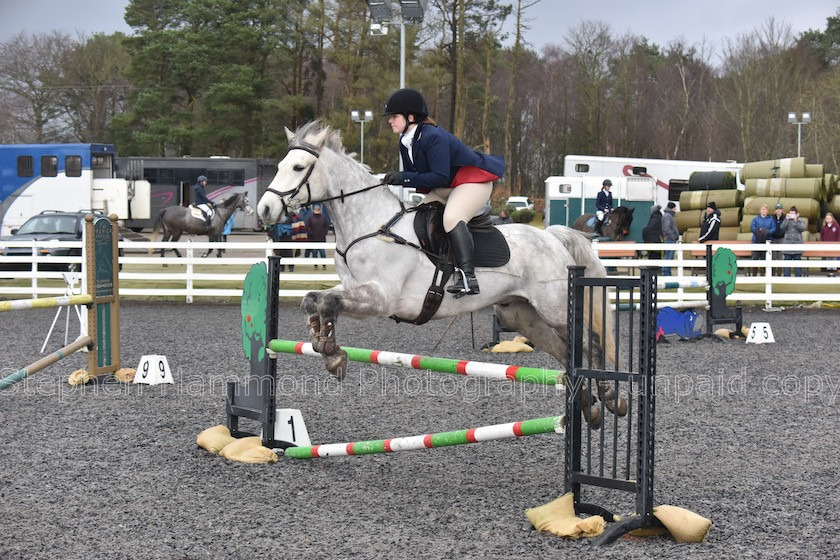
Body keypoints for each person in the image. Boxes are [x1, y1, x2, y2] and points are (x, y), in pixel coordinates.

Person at [381, 88, 505, 296]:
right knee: (414, 218)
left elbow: (437, 176)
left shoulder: (432, 136)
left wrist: (404, 178)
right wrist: (397, 178)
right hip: (448, 186)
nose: (390, 121)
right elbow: (424, 177)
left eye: (394, 116)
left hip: (473, 182)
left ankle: (469, 277)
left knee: (452, 218)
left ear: (411, 117)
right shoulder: (406, 141)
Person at [780, 205, 806, 277]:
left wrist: (796, 221)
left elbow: (802, 228)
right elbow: (782, 227)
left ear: (796, 214)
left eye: (793, 214)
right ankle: (786, 277)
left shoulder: (800, 221)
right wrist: (786, 219)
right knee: (787, 263)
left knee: (797, 263)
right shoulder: (786, 220)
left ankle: (798, 277)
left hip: (797, 245)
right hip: (787, 245)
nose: (791, 215)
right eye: (790, 213)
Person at [750, 204, 776, 271]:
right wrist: (759, 232)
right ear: (760, 211)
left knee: (764, 258)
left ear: (767, 211)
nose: (764, 211)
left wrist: (766, 232)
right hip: (756, 241)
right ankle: (754, 274)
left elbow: (773, 228)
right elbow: (753, 228)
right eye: (762, 209)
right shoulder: (755, 219)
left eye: (765, 209)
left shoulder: (771, 220)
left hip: (766, 241)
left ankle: (763, 274)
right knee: (755, 258)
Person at [304, 204, 330, 269]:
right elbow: (307, 226)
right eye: (316, 209)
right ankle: (316, 265)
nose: (317, 211)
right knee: (314, 252)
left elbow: (327, 226)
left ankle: (324, 265)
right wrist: (310, 233)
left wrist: (325, 233)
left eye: (318, 209)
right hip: (313, 239)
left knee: (322, 252)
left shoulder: (323, 217)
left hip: (321, 238)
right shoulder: (310, 218)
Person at [661, 201, 679, 276]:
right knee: (668, 256)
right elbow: (666, 228)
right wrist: (673, 237)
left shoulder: (667, 216)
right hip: (670, 239)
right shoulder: (668, 216)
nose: (676, 209)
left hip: (670, 239)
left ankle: (667, 273)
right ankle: (666, 273)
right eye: (675, 208)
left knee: (669, 256)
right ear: (672, 208)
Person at [820, 212, 839, 277]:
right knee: (828, 258)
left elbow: (838, 236)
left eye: (829, 218)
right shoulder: (823, 227)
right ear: (825, 219)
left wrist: (837, 244)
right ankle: (828, 271)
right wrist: (822, 243)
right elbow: (821, 236)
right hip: (826, 245)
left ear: (832, 219)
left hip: (834, 245)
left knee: (834, 258)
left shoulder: (836, 226)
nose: (828, 219)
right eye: (827, 218)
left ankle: (834, 271)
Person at [770, 202, 786, 275]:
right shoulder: (772, 218)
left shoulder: (785, 218)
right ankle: (772, 274)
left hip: (781, 238)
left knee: (780, 257)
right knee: (773, 257)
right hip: (773, 238)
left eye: (780, 209)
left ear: (782, 210)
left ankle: (779, 274)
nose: (778, 210)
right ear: (775, 210)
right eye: (777, 209)